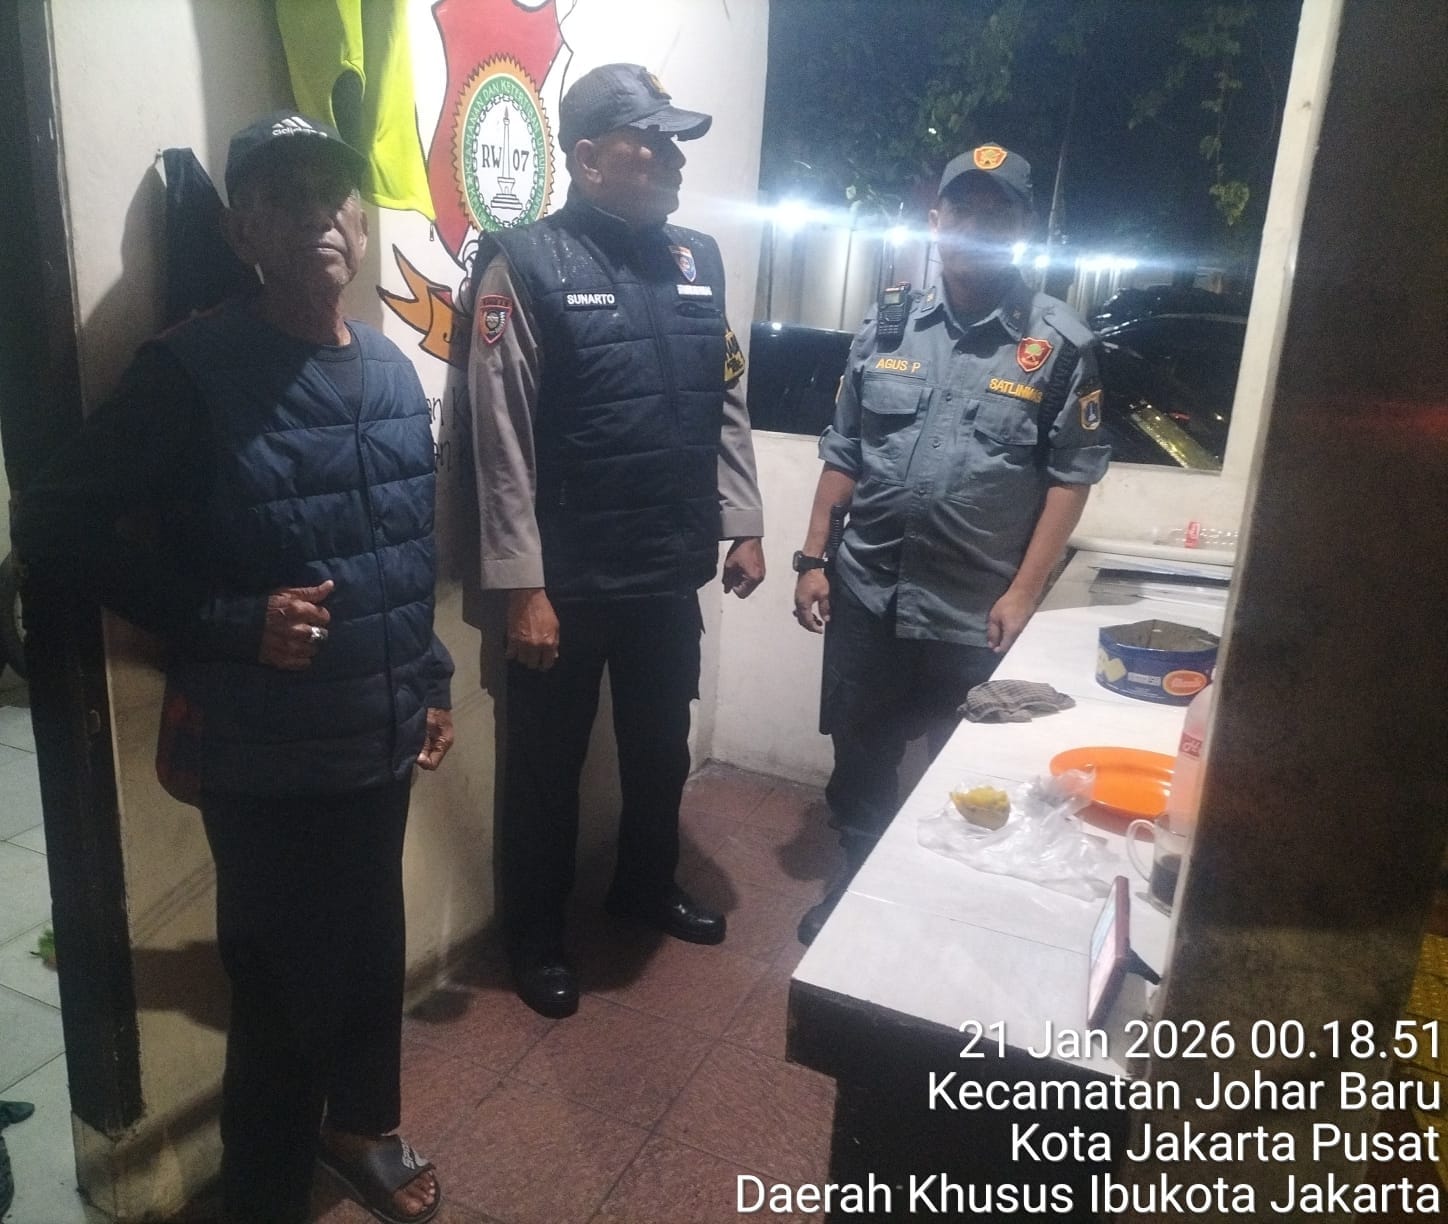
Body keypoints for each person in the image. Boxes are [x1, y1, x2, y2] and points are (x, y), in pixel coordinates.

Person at [14, 112, 453, 1224]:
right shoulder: (192, 372)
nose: (318, 214)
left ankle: (360, 1128)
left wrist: (433, 678)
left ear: (361, 221)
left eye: (334, 192)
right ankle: (261, 1197)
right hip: (264, 755)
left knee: (373, 948)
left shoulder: (391, 370)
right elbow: (53, 524)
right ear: (240, 228)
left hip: (380, 730)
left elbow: (398, 546)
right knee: (282, 1002)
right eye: (283, 194)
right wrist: (222, 620)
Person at [464, 63, 766, 1018]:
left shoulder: (696, 260)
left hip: (667, 569)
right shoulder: (524, 264)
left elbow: (722, 396)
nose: (675, 159)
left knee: (659, 750)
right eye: (655, 141)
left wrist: (743, 521)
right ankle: (536, 936)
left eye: (677, 143)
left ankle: (643, 883)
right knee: (545, 774)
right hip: (566, 581)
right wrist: (522, 585)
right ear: (588, 158)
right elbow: (500, 437)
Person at [791, 144, 1111, 944]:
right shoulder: (889, 324)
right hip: (869, 592)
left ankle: (944, 917)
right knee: (861, 755)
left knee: (968, 769)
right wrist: (814, 557)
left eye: (998, 213)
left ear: (1022, 229)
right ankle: (856, 889)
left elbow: (1070, 476)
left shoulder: (1058, 343)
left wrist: (1024, 592)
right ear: (937, 220)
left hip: (975, 608)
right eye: (963, 209)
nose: (977, 226)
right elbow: (845, 449)